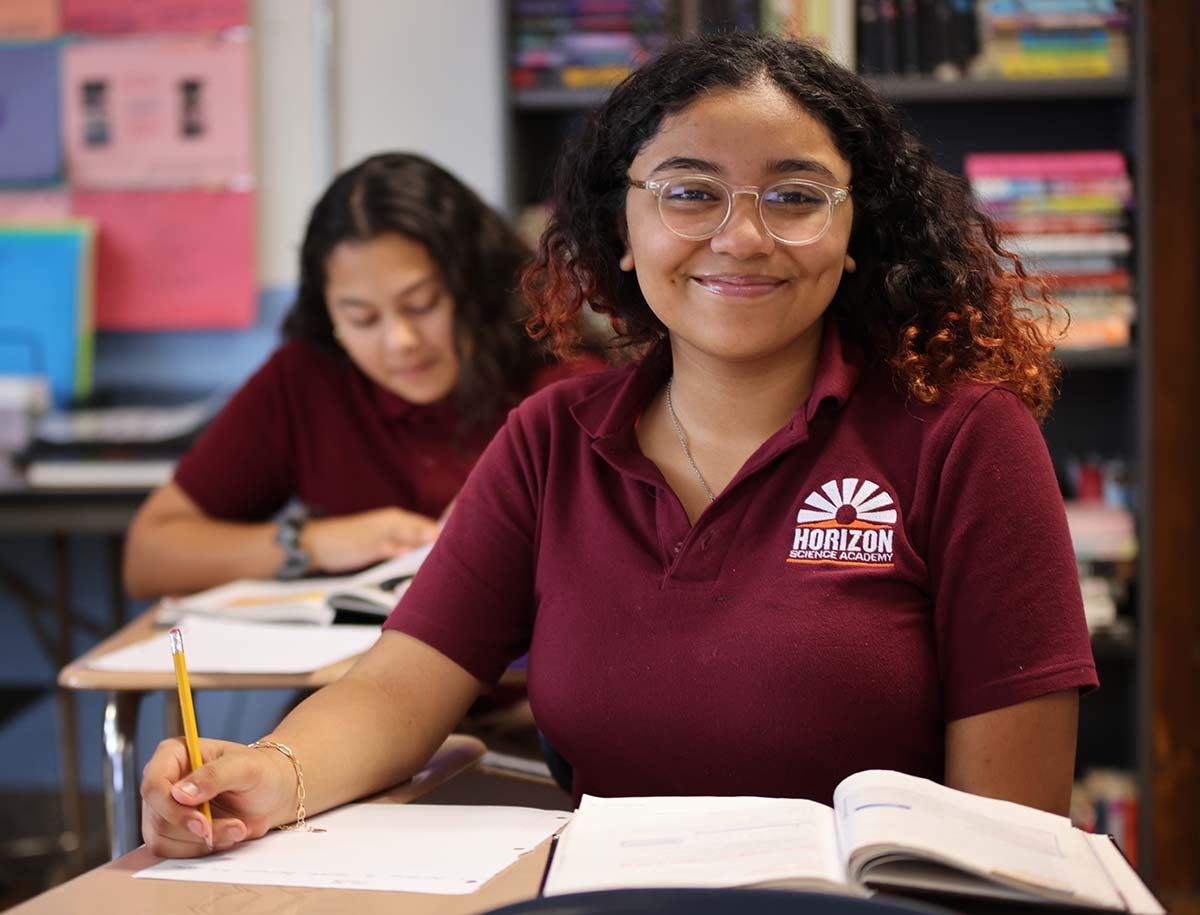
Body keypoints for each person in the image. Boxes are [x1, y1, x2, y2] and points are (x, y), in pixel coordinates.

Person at [140, 33, 1098, 857]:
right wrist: (265, 774)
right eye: (690, 193)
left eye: (795, 196)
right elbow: (400, 687)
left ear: (855, 233)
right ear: (625, 231)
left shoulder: (965, 438)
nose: (741, 236)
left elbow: (1005, 834)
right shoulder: (551, 439)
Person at [124, 152, 596, 598]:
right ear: (330, 316)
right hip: (349, 675)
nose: (401, 340)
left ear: (475, 287)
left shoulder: (563, 383)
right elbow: (148, 555)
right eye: (362, 318)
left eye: (422, 305)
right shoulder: (306, 378)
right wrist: (315, 543)